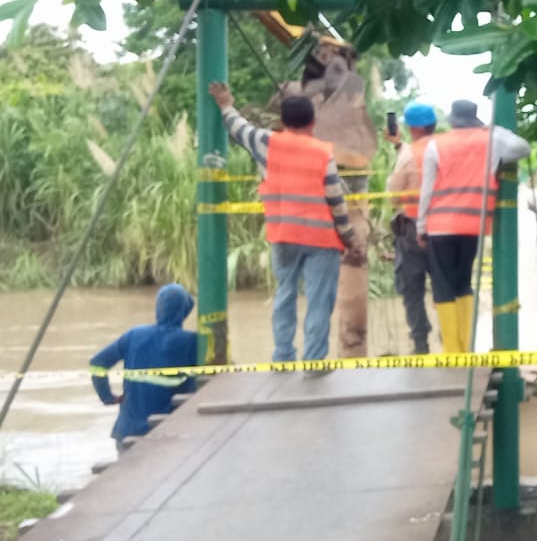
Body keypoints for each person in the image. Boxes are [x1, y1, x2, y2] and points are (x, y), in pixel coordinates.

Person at [209, 82, 358, 361]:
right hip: (322, 239)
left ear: (282, 121)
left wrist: (226, 104)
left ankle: (283, 357)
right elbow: (336, 201)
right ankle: (314, 360)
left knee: (285, 295)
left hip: (283, 235)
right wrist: (349, 236)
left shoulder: (266, 142)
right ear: (312, 122)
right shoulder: (322, 152)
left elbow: (238, 127)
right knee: (319, 301)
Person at [417, 99, 531, 353]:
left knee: (443, 285)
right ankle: (467, 348)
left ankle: (453, 351)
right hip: (473, 225)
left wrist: (421, 226)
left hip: (439, 225)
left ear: (452, 121)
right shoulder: (491, 139)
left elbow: (427, 189)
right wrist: (495, 129)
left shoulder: (436, 145)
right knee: (463, 282)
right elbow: (523, 148)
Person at [90, 283, 199, 447]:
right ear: (184, 311)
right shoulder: (192, 341)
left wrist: (107, 397)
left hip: (127, 433)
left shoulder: (134, 335)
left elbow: (97, 363)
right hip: (167, 433)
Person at [386, 102, 437, 355]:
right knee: (446, 288)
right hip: (444, 229)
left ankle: (420, 344)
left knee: (412, 289)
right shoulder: (443, 148)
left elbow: (394, 196)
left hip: (412, 230)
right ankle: (454, 343)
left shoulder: (408, 155)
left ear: (412, 128)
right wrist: (398, 145)